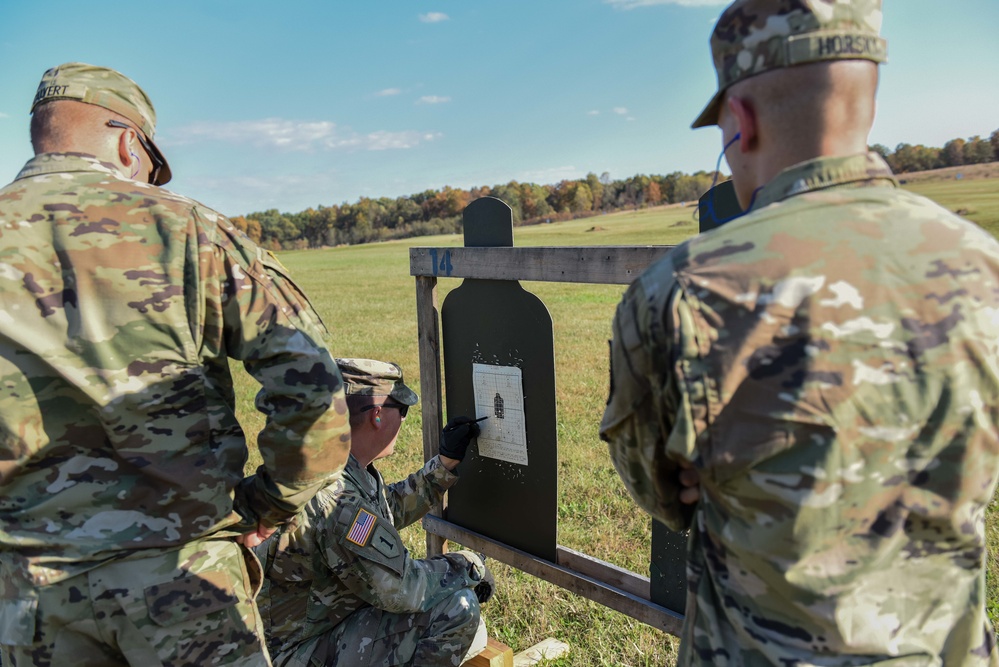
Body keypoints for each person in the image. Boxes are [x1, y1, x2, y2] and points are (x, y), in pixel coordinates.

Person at [600, 1, 999, 665]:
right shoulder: (983, 264)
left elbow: (657, 490)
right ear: (865, 99)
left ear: (740, 120)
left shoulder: (680, 291)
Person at [0, 63, 351, 666]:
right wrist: (269, 503)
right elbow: (312, 383)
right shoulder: (186, 229)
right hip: (180, 578)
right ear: (126, 141)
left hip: (23, 596)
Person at [253, 358, 494, 667]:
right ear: (377, 415)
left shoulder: (326, 464)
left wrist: (443, 466)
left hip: (305, 631)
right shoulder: (336, 501)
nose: (404, 420)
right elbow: (402, 589)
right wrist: (466, 567)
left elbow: (380, 514)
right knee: (458, 608)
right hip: (296, 654)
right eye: (402, 410)